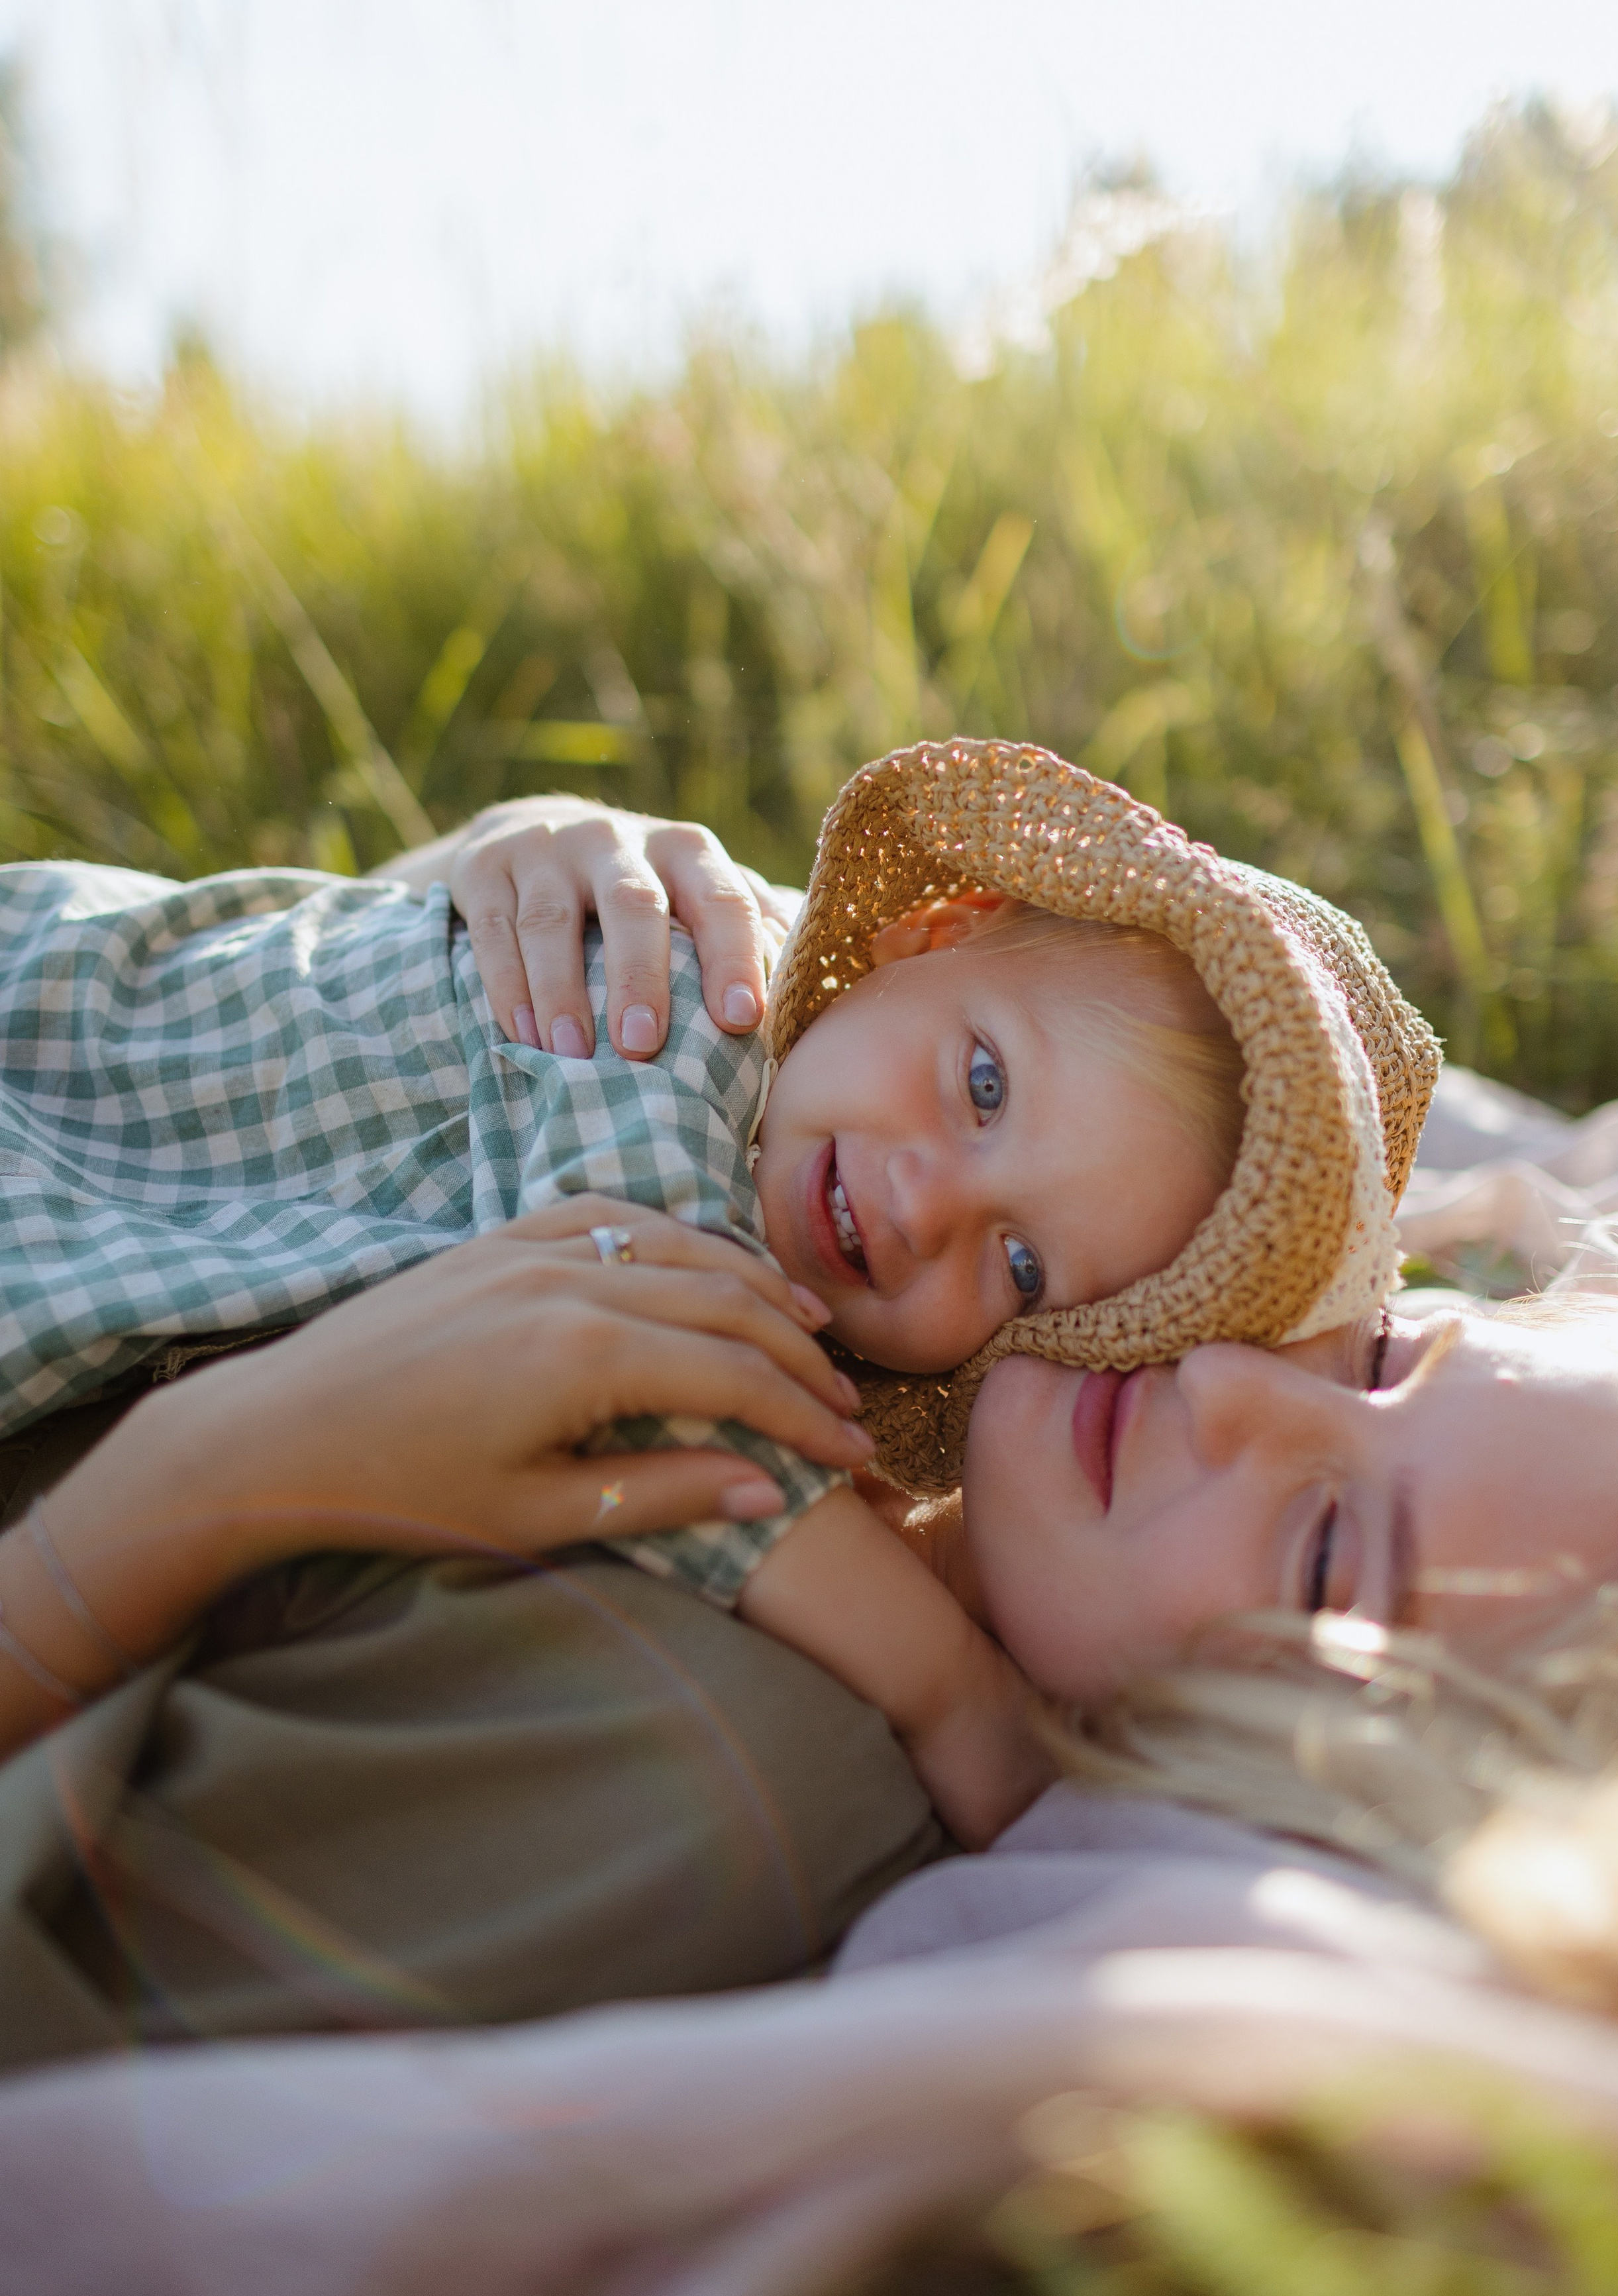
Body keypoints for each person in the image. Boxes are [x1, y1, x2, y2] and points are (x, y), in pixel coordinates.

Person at [0, 739, 1437, 1840]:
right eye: (980, 1083)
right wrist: (951, 1693)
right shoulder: (685, 1002)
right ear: (925, 932)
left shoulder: (798, 1259)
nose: (927, 1200)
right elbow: (637, 1363)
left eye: (1017, 1265)